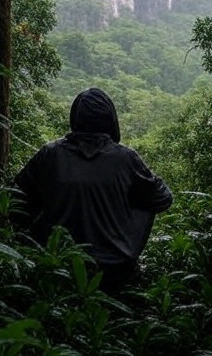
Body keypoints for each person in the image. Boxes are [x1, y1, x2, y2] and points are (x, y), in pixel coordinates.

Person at [13, 87, 173, 293]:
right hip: (114, 268)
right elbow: (163, 198)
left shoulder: (50, 154)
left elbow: (16, 199)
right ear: (110, 119)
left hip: (57, 265)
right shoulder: (125, 159)